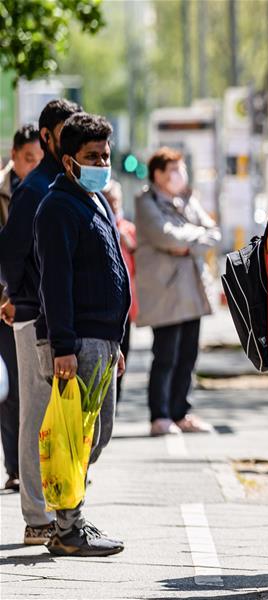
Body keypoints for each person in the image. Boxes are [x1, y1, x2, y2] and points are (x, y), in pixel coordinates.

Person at [33, 112, 129, 556]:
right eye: (93, 156)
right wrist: (64, 346)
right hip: (80, 341)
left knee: (97, 432)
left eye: (106, 155)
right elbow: (56, 282)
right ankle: (68, 527)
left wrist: (117, 343)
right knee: (78, 435)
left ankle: (70, 519)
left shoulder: (95, 200)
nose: (102, 163)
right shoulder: (57, 207)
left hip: (104, 340)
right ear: (69, 160)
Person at [0, 98, 82, 545]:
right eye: (66, 130)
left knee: (65, 419)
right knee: (35, 416)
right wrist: (19, 296)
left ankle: (60, 506)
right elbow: (10, 251)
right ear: (48, 135)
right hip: (35, 320)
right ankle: (37, 516)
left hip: (65, 321)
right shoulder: (36, 188)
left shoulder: (70, 182)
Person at [135, 148, 220, 437]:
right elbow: (165, 235)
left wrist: (187, 242)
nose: (178, 175)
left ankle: (180, 412)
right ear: (157, 174)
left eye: (180, 169)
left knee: (188, 355)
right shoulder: (146, 201)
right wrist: (191, 238)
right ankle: (159, 416)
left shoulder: (188, 199)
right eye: (172, 170)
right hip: (165, 293)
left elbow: (212, 232)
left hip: (192, 291)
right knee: (165, 355)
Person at [0, 124, 43, 492]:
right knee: (11, 388)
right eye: (28, 158)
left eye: (38, 159)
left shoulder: (46, 190)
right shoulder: (4, 191)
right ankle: (15, 467)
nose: (33, 165)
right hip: (5, 305)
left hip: (28, 302)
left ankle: (37, 465)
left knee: (33, 387)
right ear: (13, 156)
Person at [104, 180, 137, 401]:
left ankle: (117, 397)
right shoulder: (97, 225)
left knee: (125, 350)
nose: (114, 206)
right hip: (104, 303)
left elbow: (138, 260)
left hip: (126, 304)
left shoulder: (128, 229)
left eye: (116, 201)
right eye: (109, 201)